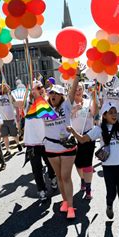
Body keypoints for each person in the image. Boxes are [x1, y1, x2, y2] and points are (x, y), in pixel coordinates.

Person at [67, 102, 119, 236]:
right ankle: (109, 204)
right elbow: (83, 139)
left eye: (115, 112)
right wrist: (73, 131)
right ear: (105, 115)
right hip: (108, 167)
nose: (114, 115)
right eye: (111, 112)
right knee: (111, 193)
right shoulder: (99, 129)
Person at [35, 74, 79, 219]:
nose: (53, 95)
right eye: (51, 93)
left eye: (56, 93)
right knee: (59, 177)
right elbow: (33, 99)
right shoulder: (43, 108)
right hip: (51, 148)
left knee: (66, 176)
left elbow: (72, 91)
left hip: (67, 147)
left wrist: (77, 75)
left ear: (61, 96)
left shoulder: (66, 106)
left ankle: (71, 207)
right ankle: (65, 201)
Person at [24, 81, 57, 201]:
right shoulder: (27, 104)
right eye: (37, 88)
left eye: (41, 87)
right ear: (32, 91)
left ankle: (53, 177)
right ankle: (41, 189)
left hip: (47, 140)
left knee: (50, 164)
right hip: (32, 141)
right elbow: (19, 106)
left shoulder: (49, 101)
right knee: (36, 167)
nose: (41, 89)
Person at [71, 83, 97, 200]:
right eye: (76, 89)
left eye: (80, 89)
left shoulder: (88, 101)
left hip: (88, 136)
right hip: (74, 137)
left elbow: (94, 113)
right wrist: (75, 109)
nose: (78, 91)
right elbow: (64, 118)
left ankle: (88, 189)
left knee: (87, 163)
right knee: (78, 163)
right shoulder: (68, 104)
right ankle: (82, 179)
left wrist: (95, 97)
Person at [0, 84, 22, 156]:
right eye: (0, 88)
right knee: (5, 135)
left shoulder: (10, 96)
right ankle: (8, 150)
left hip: (11, 118)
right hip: (2, 120)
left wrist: (18, 116)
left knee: (14, 134)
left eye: (4, 87)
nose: (2, 89)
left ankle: (18, 143)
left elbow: (16, 106)